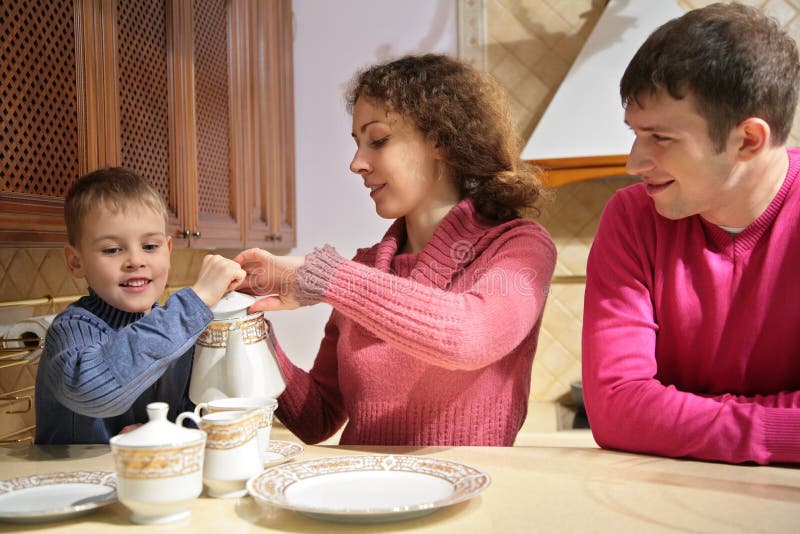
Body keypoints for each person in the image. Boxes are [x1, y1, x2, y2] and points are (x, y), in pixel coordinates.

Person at [234, 54, 556, 446]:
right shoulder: (363, 271)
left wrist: (325, 278)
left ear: (440, 140)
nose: (356, 163)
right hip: (364, 500)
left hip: (471, 502)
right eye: (357, 144)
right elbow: (317, 417)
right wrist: (246, 329)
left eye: (378, 140)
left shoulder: (519, 247)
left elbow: (469, 337)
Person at [582, 2, 800, 464]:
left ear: (748, 140)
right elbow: (615, 409)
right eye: (635, 134)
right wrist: (781, 427)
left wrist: (675, 418)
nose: (633, 164)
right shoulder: (630, 218)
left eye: (661, 138)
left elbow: (638, 411)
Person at [35, 167, 246, 444]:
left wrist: (170, 434)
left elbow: (195, 414)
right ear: (76, 262)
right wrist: (195, 302)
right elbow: (94, 391)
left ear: (168, 251)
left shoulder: (178, 331)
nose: (136, 260)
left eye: (150, 246)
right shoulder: (72, 329)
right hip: (73, 484)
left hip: (147, 482)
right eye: (112, 249)